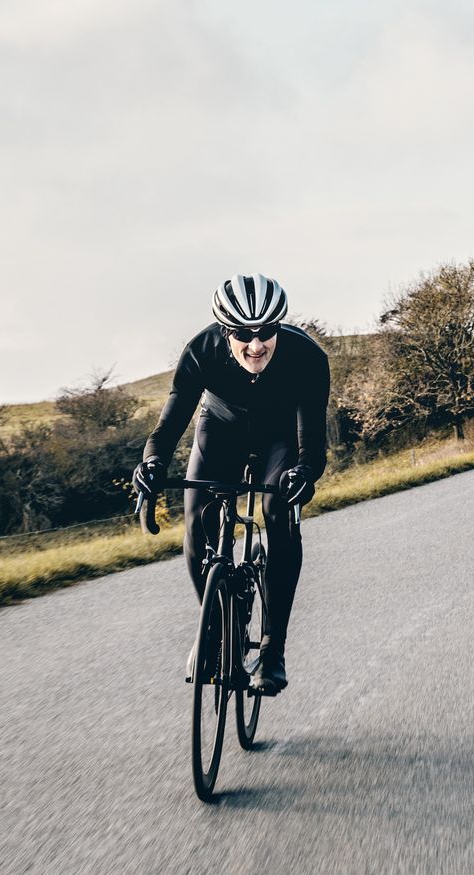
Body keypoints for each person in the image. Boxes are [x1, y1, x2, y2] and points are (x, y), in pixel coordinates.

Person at [132, 274, 329, 695]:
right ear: (225, 331)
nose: (256, 345)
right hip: (220, 430)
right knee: (196, 519)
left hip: (280, 438)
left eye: (267, 332)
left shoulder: (307, 358)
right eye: (243, 334)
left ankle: (272, 650)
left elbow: (311, 443)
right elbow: (167, 428)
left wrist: (304, 475)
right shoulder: (201, 352)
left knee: (279, 515)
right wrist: (151, 464)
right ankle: (216, 636)